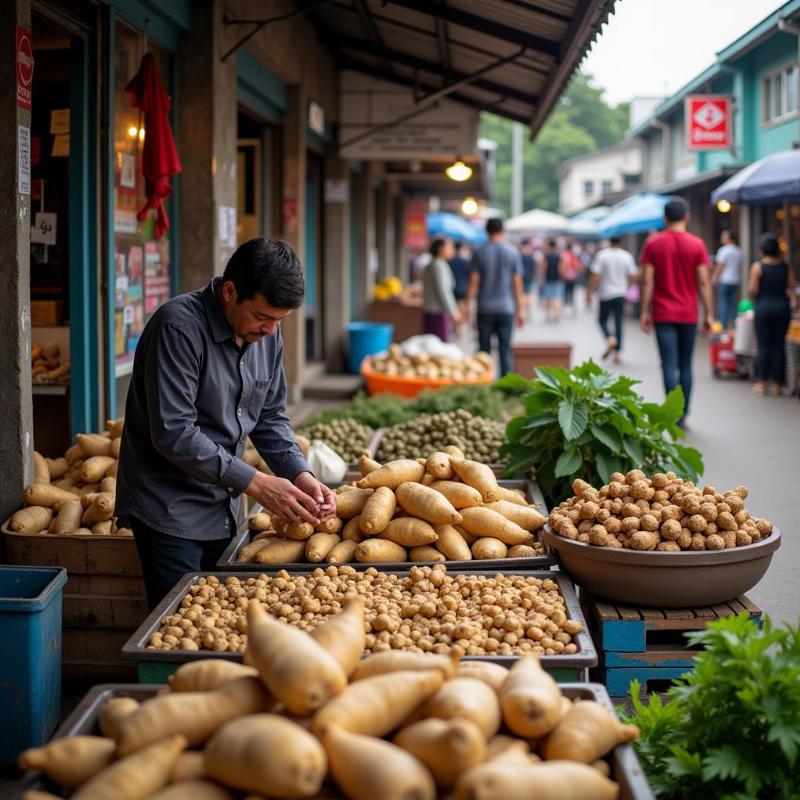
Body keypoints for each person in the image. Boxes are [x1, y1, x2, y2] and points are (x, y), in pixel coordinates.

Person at [116, 238, 336, 610]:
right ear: (230, 291)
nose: (269, 331)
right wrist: (257, 483)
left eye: (279, 321)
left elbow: (269, 415)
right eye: (263, 317)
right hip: (169, 508)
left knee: (218, 617)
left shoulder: (267, 333)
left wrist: (300, 473)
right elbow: (174, 432)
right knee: (180, 623)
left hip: (222, 508)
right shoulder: (178, 329)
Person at [639, 197, 714, 427]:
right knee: (686, 364)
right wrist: (709, 313)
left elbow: (647, 281)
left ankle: (673, 414)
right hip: (688, 313)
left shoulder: (652, 244)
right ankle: (684, 414)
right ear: (687, 217)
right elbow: (703, 281)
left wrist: (644, 311)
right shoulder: (697, 244)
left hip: (663, 313)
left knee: (668, 365)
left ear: (664, 218)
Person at [466, 217, 525, 376]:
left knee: (484, 351)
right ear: (503, 231)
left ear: (486, 231)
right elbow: (517, 285)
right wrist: (521, 310)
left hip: (484, 308)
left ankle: (484, 383)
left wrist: (467, 305)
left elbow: (473, 282)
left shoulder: (479, 252)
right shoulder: (513, 252)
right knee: (505, 349)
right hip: (506, 308)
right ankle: (505, 386)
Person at [748, 232, 796, 396]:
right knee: (779, 346)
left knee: (763, 346)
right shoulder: (785, 266)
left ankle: (762, 383)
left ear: (762, 249)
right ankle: (777, 383)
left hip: (763, 307)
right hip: (782, 308)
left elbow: (752, 290)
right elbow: (793, 286)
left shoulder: (758, 267)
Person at [587, 237, 638, 363]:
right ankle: (617, 353)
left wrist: (589, 291)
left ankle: (610, 338)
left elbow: (596, 275)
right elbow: (633, 275)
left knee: (602, 320)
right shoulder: (627, 256)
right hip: (620, 293)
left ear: (609, 241)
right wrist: (626, 286)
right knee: (618, 322)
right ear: (620, 242)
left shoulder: (602, 255)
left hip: (605, 293)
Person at [423, 237, 462, 342]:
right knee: (439, 345)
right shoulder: (439, 265)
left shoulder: (432, 264)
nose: (452, 249)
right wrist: (453, 311)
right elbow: (444, 291)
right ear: (441, 248)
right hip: (438, 312)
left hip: (431, 310)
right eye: (449, 247)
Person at [713, 230, 743, 329]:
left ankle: (724, 327)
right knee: (733, 304)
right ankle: (734, 327)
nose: (722, 238)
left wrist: (715, 276)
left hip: (725, 280)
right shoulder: (738, 251)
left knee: (723, 304)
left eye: (724, 236)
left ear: (729, 238)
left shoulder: (723, 250)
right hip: (735, 280)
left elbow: (720, 265)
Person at [538, 239, 564, 322]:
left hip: (548, 279)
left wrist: (541, 275)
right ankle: (556, 314)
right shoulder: (558, 256)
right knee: (556, 297)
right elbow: (561, 269)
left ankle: (549, 315)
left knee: (548, 297)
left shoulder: (547, 256)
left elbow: (543, 268)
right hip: (557, 279)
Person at [448, 241, 471, 319]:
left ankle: (455, 324)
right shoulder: (465, 262)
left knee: (453, 308)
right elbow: (469, 276)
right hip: (462, 288)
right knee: (461, 308)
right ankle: (459, 326)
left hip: (451, 288)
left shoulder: (449, 261)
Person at [560, 243, 583, 313]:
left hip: (565, 276)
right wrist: (577, 273)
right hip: (573, 276)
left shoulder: (564, 255)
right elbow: (579, 266)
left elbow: (563, 266)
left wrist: (562, 274)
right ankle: (572, 306)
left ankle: (567, 307)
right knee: (572, 292)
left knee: (565, 292)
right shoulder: (574, 256)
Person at [520, 238, 537, 318]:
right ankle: (527, 310)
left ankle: (524, 311)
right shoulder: (531, 256)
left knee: (523, 295)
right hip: (529, 277)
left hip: (521, 277)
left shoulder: (519, 255)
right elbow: (534, 268)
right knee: (528, 294)